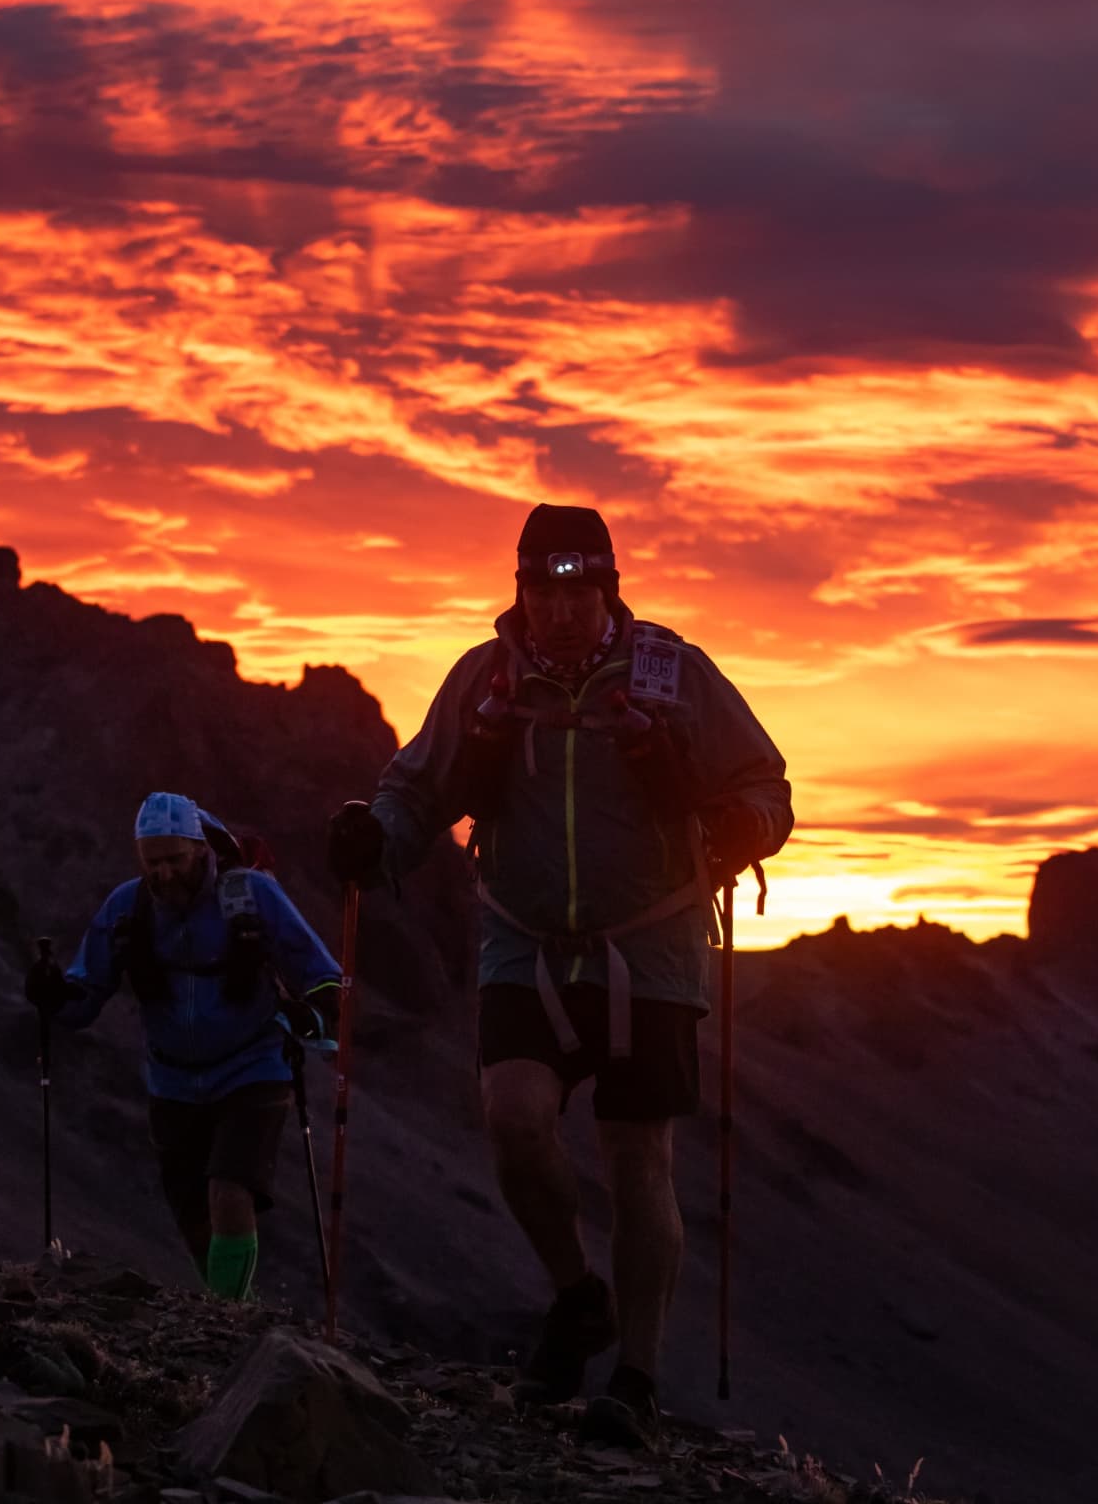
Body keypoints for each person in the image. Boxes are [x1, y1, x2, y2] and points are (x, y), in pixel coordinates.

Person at [328, 504, 792, 1444]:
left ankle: (636, 1377)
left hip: (651, 943)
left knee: (635, 1159)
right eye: (547, 587)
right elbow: (419, 787)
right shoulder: (484, 681)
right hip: (522, 937)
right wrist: (375, 837)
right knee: (511, 1117)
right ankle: (579, 1297)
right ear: (522, 591)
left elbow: (765, 785)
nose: (565, 608)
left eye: (583, 587)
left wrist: (744, 830)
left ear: (610, 588)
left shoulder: (674, 674)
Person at [25, 791, 342, 1301]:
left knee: (228, 1190)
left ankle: (227, 1322)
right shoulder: (127, 909)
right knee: (193, 1215)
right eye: (153, 863)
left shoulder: (252, 895)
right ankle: (230, 1310)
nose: (164, 873)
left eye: (174, 859)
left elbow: (324, 975)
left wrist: (316, 1014)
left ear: (200, 850)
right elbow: (82, 1000)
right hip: (172, 1082)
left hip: (253, 1069)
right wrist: (51, 993)